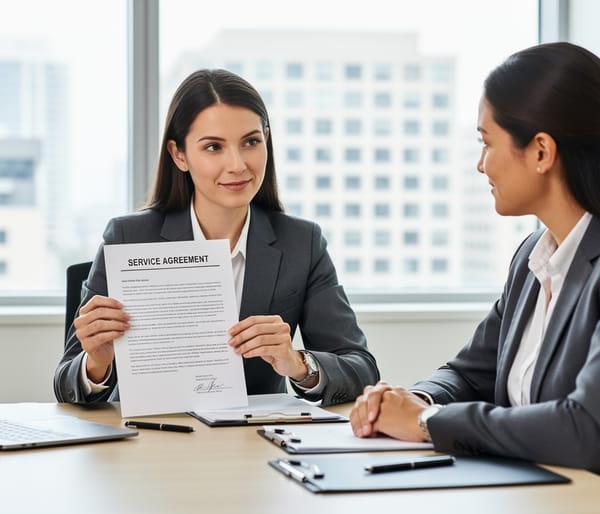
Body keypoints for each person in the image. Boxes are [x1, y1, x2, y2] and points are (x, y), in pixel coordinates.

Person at [349, 42, 600, 511]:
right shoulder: (535, 254)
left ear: (542, 151)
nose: (480, 164)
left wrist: (428, 421)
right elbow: (469, 373)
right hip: (553, 498)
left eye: (486, 143)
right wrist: (409, 398)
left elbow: (588, 430)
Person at [55, 69, 379, 407]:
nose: (237, 164)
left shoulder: (302, 243)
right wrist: (96, 364)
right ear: (179, 155)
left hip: (252, 445)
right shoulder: (128, 237)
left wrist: (299, 365)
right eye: (213, 147)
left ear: (266, 140)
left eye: (251, 142)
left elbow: (361, 369)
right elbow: (65, 381)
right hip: (148, 438)